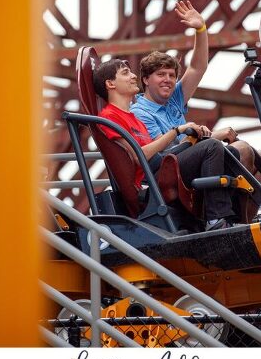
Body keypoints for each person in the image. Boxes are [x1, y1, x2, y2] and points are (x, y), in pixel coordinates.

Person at [93, 57, 237, 230]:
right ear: (110, 84)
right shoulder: (109, 117)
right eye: (125, 73)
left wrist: (192, 140)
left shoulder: (131, 117)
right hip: (150, 180)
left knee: (230, 153)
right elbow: (141, 156)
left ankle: (236, 215)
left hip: (160, 166)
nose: (133, 76)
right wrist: (177, 131)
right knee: (211, 147)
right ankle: (215, 219)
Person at [131, 0, 261, 175]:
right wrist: (211, 136)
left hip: (199, 156)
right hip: (173, 170)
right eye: (161, 75)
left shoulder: (174, 98)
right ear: (145, 79)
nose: (168, 80)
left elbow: (197, 68)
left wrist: (201, 30)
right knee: (243, 149)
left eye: (172, 75)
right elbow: (165, 153)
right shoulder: (140, 111)